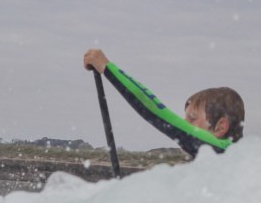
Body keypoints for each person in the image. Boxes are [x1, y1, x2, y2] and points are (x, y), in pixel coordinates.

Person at [83, 49, 244, 157]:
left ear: (220, 127)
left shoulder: (223, 151)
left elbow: (155, 110)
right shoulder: (232, 159)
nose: (183, 124)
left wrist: (107, 68)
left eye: (192, 118)